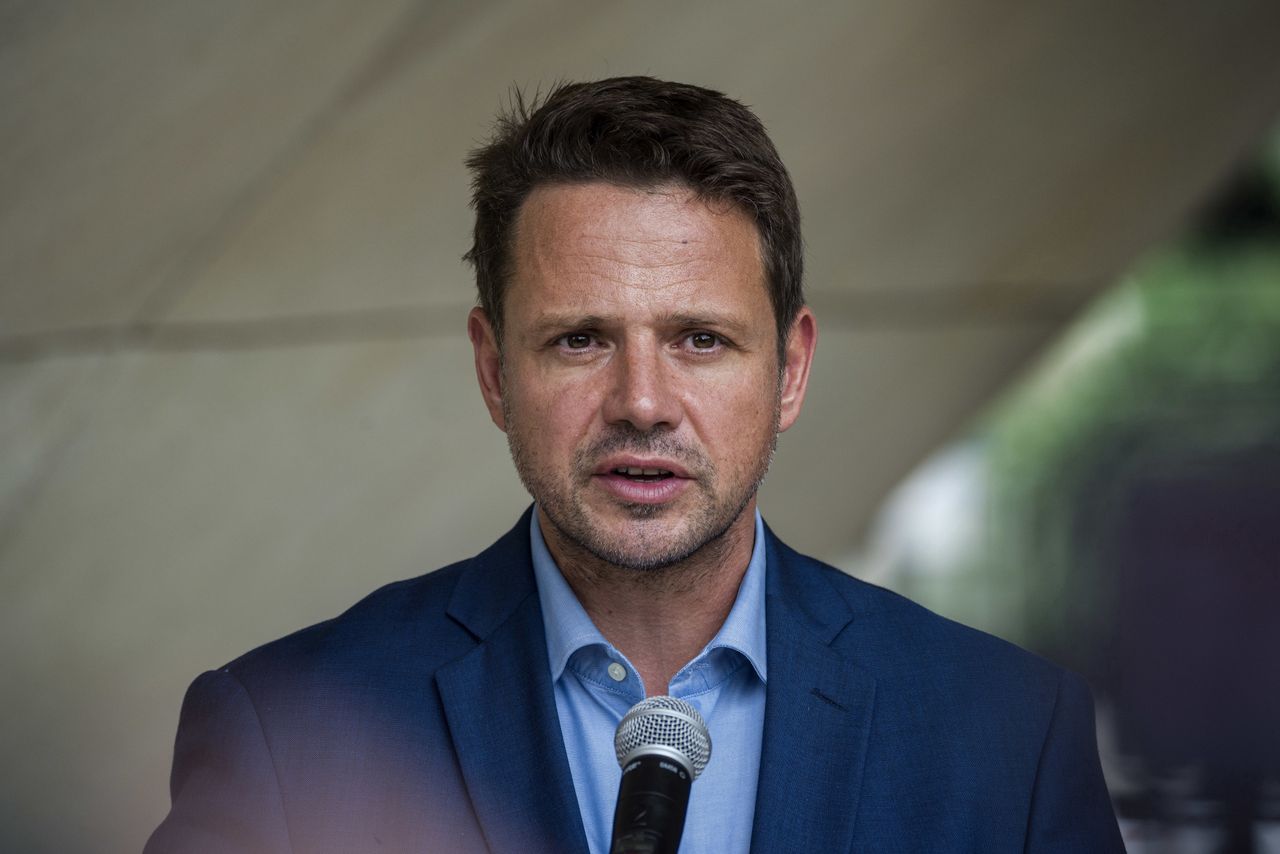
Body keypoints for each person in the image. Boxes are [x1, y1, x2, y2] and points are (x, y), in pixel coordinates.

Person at [146, 76, 1124, 854]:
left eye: (699, 338)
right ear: (493, 369)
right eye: (579, 340)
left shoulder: (1005, 735)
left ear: (789, 370)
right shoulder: (287, 731)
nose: (642, 401)